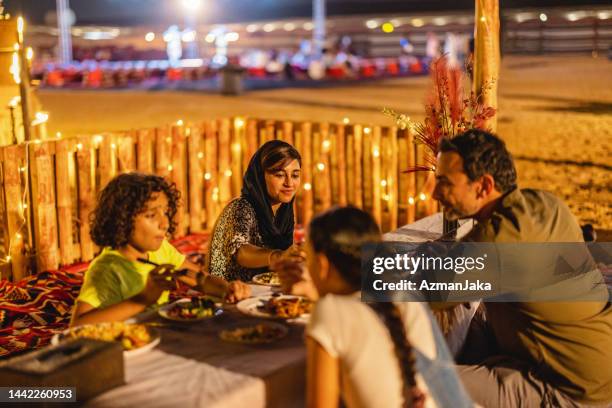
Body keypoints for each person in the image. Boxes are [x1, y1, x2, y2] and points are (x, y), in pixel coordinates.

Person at [431, 129, 612, 406]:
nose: (435, 192)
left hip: (566, 389)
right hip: (594, 365)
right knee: (471, 317)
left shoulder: (500, 240)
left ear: (483, 186)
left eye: (445, 182)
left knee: (420, 381)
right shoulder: (545, 203)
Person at [278, 206, 472, 408]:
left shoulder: (330, 311)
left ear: (323, 263)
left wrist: (321, 299)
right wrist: (317, 292)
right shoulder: (405, 295)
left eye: (308, 260)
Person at [71, 173, 250, 327]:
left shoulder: (160, 250)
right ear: (122, 219)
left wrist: (227, 289)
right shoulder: (107, 268)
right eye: (151, 215)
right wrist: (143, 299)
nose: (164, 224)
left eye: (165, 212)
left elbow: (199, 278)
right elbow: (77, 325)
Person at [207, 140, 304, 282]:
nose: (289, 183)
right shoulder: (240, 207)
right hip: (231, 293)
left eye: (295, 175)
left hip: (262, 291)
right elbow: (239, 251)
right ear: (260, 176)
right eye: (279, 175)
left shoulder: (283, 211)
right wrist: (278, 256)